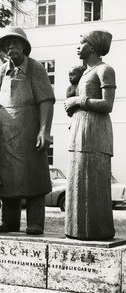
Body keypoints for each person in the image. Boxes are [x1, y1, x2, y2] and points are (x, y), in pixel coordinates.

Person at [0, 27, 55, 235]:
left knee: (33, 175)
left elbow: (46, 101)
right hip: (5, 132)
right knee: (7, 178)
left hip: (29, 128)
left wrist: (44, 130)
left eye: (15, 43)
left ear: (24, 46)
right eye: (7, 45)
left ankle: (35, 222)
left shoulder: (35, 68)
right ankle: (9, 221)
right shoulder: (1, 71)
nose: (10, 47)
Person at [64, 30, 116, 240]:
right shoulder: (84, 73)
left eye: (82, 42)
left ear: (92, 47)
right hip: (79, 129)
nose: (78, 46)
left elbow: (107, 104)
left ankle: (97, 230)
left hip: (95, 131)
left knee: (93, 178)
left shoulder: (105, 70)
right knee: (77, 178)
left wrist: (78, 102)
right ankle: (76, 229)